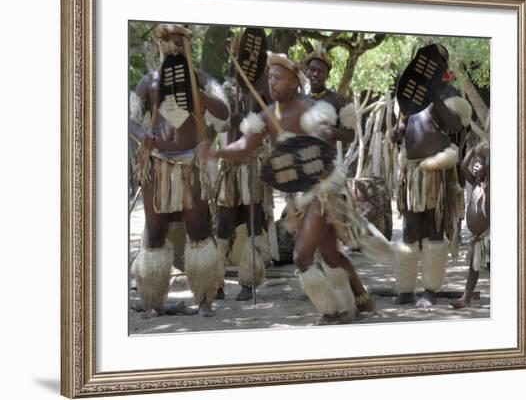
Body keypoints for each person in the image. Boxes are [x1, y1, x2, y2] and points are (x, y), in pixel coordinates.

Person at [202, 51, 375, 325]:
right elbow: (244, 147)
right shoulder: (268, 114)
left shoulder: (309, 109)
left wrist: (301, 142)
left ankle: (336, 310)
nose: (272, 83)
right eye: (270, 77)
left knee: (302, 256)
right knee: (329, 253)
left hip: (323, 190)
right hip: (303, 195)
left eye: (279, 78)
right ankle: (361, 301)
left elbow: (323, 142)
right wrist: (217, 153)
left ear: (295, 82)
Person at [130, 24, 230, 318]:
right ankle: (153, 300)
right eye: (169, 44)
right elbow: (130, 119)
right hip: (158, 165)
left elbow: (224, 112)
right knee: (155, 232)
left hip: (190, 165)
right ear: (161, 46)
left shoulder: (201, 79)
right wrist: (141, 135)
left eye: (179, 44)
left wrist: (201, 95)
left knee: (198, 229)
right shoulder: (148, 82)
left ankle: (204, 299)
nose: (173, 49)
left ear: (188, 46)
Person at [392, 45, 472, 309]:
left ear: (442, 67)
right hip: (412, 173)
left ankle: (429, 290)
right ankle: (405, 289)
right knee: (409, 230)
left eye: (435, 63)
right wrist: (398, 131)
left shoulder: (448, 94)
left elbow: (455, 126)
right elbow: (404, 126)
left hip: (437, 174)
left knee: (434, 228)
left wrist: (433, 96)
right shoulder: (408, 96)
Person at [214, 72, 274, 301]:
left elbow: (269, 124)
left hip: (252, 168)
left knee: (253, 225)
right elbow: (218, 125)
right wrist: (232, 119)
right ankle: (215, 282)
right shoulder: (225, 92)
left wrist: (251, 115)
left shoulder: (262, 93)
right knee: (223, 227)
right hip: (231, 170)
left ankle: (249, 282)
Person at [451, 142, 490, 308]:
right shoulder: (475, 183)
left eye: (480, 163)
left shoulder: (491, 185)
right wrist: (474, 151)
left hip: (489, 235)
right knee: (473, 269)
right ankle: (466, 299)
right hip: (477, 238)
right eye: (476, 162)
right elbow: (463, 166)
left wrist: (487, 155)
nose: (475, 166)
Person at [302, 48, 355, 143]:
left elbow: (351, 136)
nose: (315, 74)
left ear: (327, 76)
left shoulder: (336, 100)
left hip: (327, 156)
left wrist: (330, 131)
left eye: (321, 71)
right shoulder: (299, 99)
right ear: (306, 71)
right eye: (312, 69)